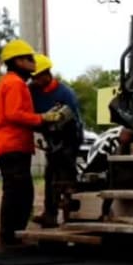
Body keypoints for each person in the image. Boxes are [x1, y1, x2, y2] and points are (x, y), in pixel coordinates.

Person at [0, 38, 67, 246]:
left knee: (18, 190)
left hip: (10, 144)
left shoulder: (11, 82)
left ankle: (13, 233)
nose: (33, 62)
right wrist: (42, 119)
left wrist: (40, 121)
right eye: (30, 58)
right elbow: (14, 114)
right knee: (18, 192)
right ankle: (11, 235)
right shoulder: (14, 83)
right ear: (18, 61)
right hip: (11, 144)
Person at [28, 55, 84, 228]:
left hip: (69, 137)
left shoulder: (65, 93)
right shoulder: (32, 92)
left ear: (46, 75)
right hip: (51, 138)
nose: (34, 81)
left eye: (37, 77)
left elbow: (73, 119)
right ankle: (50, 214)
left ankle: (72, 214)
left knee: (67, 177)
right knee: (50, 176)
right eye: (33, 78)